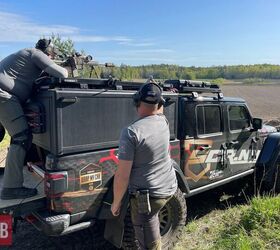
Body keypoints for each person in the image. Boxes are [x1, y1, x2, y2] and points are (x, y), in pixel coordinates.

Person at [111, 81, 178, 250]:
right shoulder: (163, 121)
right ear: (159, 103)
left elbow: (122, 176)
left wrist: (116, 202)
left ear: (136, 101)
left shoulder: (131, 132)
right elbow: (159, 107)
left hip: (148, 198)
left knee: (149, 245)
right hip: (169, 187)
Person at [0, 38, 68, 200]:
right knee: (21, 138)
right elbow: (62, 74)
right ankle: (11, 188)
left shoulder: (24, 53)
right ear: (48, 52)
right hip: (4, 95)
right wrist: (65, 66)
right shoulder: (35, 54)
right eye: (51, 56)